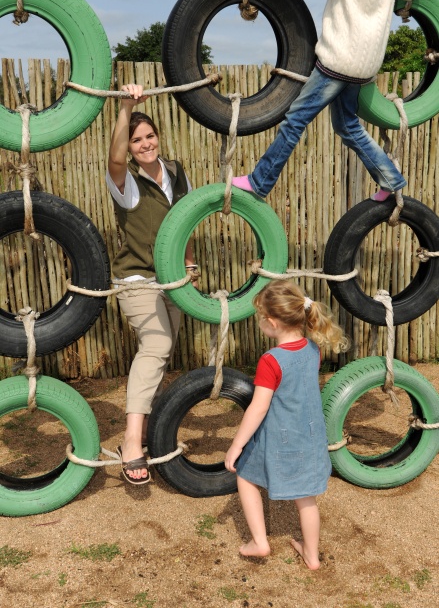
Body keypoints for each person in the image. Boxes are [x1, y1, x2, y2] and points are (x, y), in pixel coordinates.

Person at [232, 0, 426, 201]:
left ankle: (261, 182)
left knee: (295, 119)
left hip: (339, 60)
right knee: (347, 126)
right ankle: (390, 178)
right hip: (364, 66)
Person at [106, 84, 196, 485]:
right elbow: (114, 157)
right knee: (156, 345)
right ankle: (131, 443)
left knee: (163, 350)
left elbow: (187, 217)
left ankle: (144, 431)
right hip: (137, 278)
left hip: (172, 277)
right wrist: (126, 108)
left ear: (158, 136)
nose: (145, 144)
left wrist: (190, 260)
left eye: (149, 136)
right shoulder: (124, 182)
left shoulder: (175, 171)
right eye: (136, 139)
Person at [224, 279, 348, 567]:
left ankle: (259, 542)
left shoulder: (271, 361)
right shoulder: (312, 350)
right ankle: (313, 556)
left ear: (271, 323)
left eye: (260, 319)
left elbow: (258, 408)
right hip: (309, 436)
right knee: (307, 498)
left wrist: (236, 444)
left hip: (280, 440)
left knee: (245, 476)